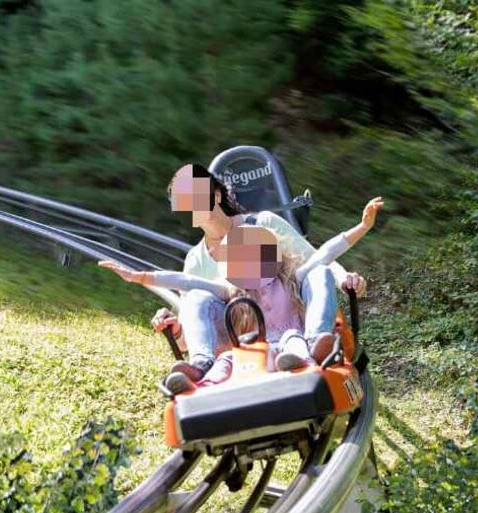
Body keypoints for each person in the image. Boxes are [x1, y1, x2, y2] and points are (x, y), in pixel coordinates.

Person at [99, 195, 382, 392]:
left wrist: (363, 227)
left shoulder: (291, 278)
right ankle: (201, 374)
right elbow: (187, 282)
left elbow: (325, 254)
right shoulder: (233, 292)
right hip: (253, 355)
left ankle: (314, 348)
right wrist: (142, 277)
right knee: (223, 351)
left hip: (294, 344)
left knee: (314, 282)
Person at [149, 163, 367, 385]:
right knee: (198, 295)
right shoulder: (196, 259)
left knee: (317, 272)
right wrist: (176, 329)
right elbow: (190, 335)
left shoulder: (263, 223)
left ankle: (313, 345)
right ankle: (202, 369)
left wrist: (344, 279)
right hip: (240, 344)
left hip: (290, 326)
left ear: (215, 195)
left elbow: (316, 259)